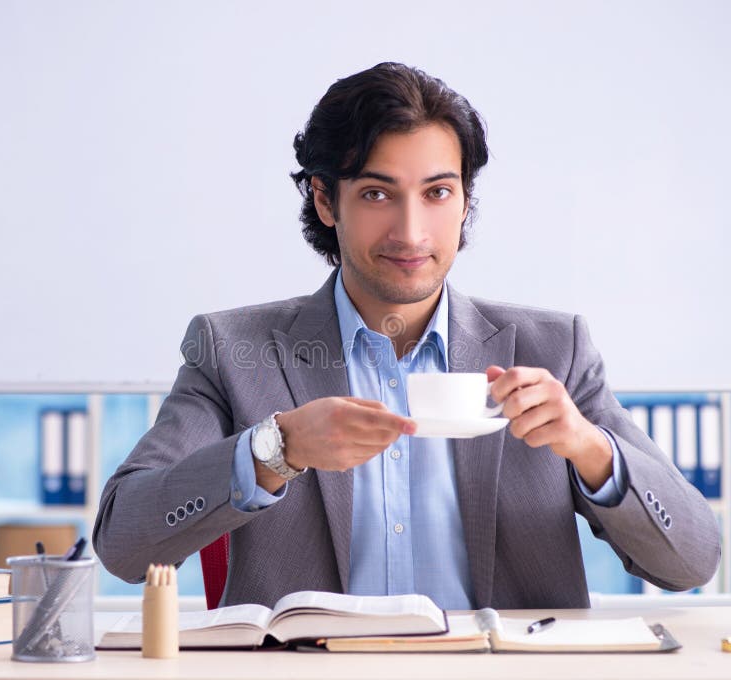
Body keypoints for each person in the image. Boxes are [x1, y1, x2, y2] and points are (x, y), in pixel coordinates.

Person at [93, 62, 719, 610]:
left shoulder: (555, 350)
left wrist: (589, 448)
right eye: (376, 193)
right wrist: (274, 449)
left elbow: (691, 561)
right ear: (325, 201)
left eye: (438, 192)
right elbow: (124, 544)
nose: (411, 231)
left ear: (465, 202)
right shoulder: (233, 350)